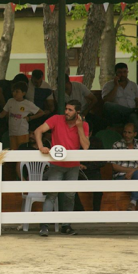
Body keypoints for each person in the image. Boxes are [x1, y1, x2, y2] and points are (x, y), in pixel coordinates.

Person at [34, 100, 89, 237]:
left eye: (70, 110)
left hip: (73, 166)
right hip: (56, 164)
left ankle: (66, 226)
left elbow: (86, 146)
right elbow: (38, 131)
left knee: (70, 196)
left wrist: (80, 127)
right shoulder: (56, 119)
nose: (66, 112)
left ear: (77, 113)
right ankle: (44, 226)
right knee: (52, 194)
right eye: (66, 109)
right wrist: (41, 147)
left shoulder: (84, 125)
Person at [0, 81, 45, 150]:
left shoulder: (28, 104)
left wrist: (30, 118)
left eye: (17, 91)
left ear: (23, 93)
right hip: (12, 133)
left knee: (22, 152)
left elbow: (41, 112)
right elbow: (2, 115)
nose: (14, 93)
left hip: (23, 133)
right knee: (13, 152)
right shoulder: (10, 101)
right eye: (13, 91)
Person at [111, 123, 138, 211]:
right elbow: (114, 166)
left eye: (129, 132)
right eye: (125, 132)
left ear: (135, 134)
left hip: (137, 175)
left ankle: (133, 201)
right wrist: (132, 171)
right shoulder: (117, 145)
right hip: (121, 176)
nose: (126, 135)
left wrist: (132, 172)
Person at [101, 63, 138, 132]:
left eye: (124, 72)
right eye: (119, 72)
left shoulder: (133, 85)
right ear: (115, 73)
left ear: (127, 72)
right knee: (107, 105)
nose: (122, 74)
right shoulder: (108, 85)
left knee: (134, 118)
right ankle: (131, 110)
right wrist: (116, 86)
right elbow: (106, 100)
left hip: (132, 114)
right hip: (117, 115)